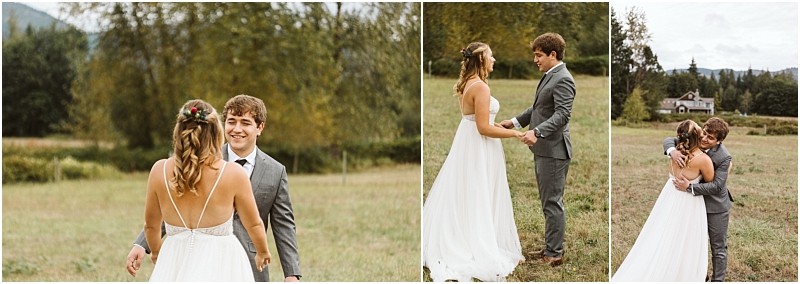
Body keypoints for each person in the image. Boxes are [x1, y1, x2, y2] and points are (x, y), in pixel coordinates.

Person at [128, 95, 302, 281]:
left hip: (246, 264)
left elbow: (284, 225)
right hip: (188, 258)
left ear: (260, 127)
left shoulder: (275, 171)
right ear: (221, 126)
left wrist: (291, 273)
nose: (237, 129)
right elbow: (172, 207)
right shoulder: (196, 161)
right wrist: (141, 245)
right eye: (231, 121)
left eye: (245, 123)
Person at [423, 42, 525, 282]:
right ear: (481, 60)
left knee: (470, 191)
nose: (494, 59)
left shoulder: (468, 83)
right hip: (479, 146)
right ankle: (479, 244)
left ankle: (473, 235)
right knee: (480, 191)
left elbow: (477, 120)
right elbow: (482, 128)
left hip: (467, 142)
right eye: (491, 56)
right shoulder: (480, 87)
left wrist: (499, 124)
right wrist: (515, 134)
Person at [500, 32, 576, 266]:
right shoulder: (550, 75)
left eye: (539, 55)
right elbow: (538, 107)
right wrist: (513, 122)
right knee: (548, 201)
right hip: (545, 149)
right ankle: (550, 248)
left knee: (552, 202)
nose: (535, 60)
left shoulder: (563, 78)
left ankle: (554, 254)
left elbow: (562, 115)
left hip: (554, 151)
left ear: (553, 55)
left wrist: (537, 132)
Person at [611, 120, 714, 281]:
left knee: (664, 233)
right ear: (697, 136)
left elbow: (670, 142)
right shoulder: (703, 159)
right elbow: (710, 181)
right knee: (687, 239)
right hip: (689, 203)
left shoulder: (675, 154)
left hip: (669, 197)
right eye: (700, 129)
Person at [667, 117, 733, 281]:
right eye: (704, 133)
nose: (704, 138)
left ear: (719, 141)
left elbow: (717, 186)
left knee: (718, 247)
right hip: (692, 205)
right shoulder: (694, 139)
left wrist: (689, 187)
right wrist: (672, 151)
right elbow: (670, 139)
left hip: (715, 206)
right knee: (693, 242)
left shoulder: (724, 158)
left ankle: (718, 280)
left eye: (710, 138)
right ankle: (698, 276)